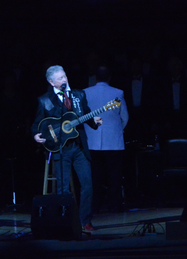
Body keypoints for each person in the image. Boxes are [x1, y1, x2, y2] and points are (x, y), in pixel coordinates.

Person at [31, 65, 102, 232]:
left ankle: (85, 220)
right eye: (60, 78)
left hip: (78, 146)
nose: (64, 80)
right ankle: (66, 220)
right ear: (51, 82)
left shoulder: (78, 95)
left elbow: (86, 113)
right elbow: (37, 124)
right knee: (63, 188)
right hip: (59, 148)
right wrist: (35, 135)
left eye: (64, 76)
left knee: (87, 183)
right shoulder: (44, 100)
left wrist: (94, 122)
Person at [84, 66, 129, 213]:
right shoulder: (118, 92)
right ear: (109, 78)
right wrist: (117, 129)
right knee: (114, 176)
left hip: (92, 141)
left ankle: (95, 205)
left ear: (95, 78)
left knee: (95, 176)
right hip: (113, 141)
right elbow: (125, 117)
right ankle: (114, 205)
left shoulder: (85, 92)